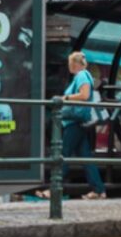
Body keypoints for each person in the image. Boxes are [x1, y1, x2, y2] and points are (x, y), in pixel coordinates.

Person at [39, 52, 106, 200]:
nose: (69, 66)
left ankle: (53, 189)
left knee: (63, 154)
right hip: (77, 121)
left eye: (70, 63)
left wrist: (65, 97)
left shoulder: (81, 75)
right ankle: (99, 190)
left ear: (74, 64)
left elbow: (84, 95)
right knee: (86, 157)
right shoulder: (83, 76)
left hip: (74, 121)